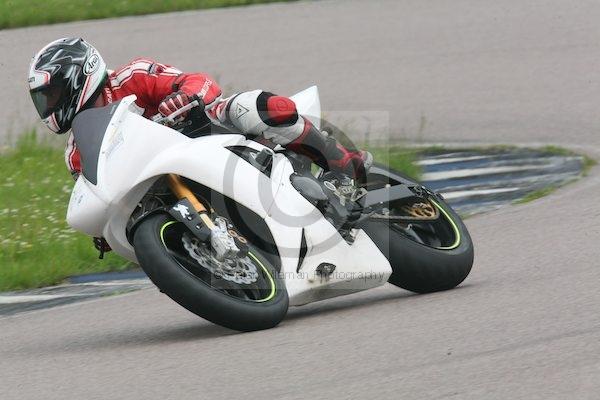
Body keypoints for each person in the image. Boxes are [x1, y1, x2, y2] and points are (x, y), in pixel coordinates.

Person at [28, 37, 373, 253]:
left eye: (53, 94)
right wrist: (104, 225)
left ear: (79, 75)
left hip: (206, 131)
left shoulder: (132, 76)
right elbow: (99, 190)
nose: (50, 105)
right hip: (166, 182)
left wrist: (185, 97)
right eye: (45, 99)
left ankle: (344, 165)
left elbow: (198, 81)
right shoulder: (76, 153)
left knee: (248, 107)